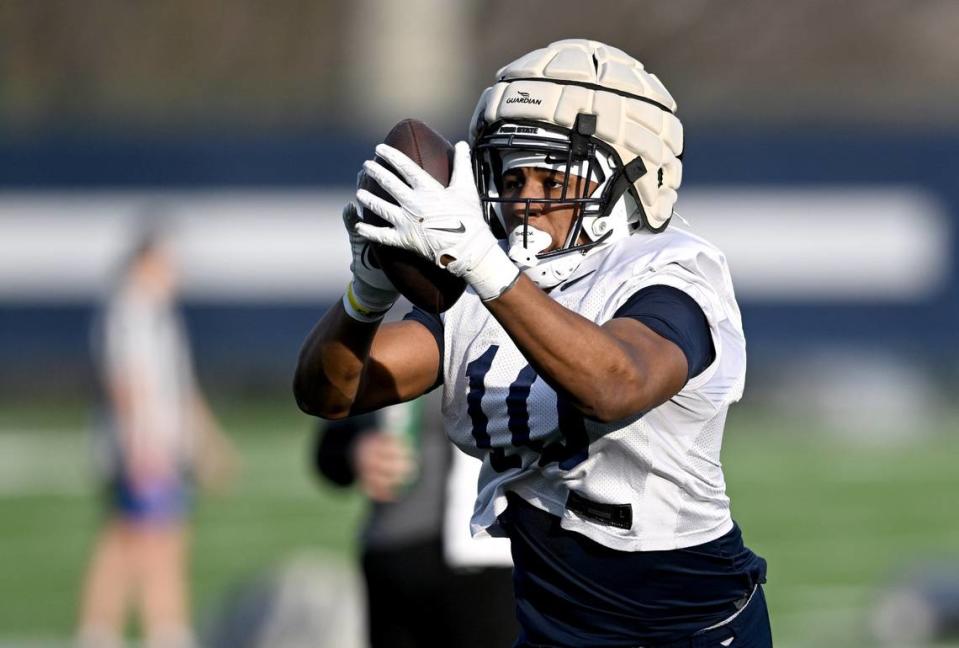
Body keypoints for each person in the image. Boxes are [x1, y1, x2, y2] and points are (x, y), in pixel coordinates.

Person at [295, 38, 771, 647]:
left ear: (632, 175)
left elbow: (615, 384)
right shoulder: (489, 285)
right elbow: (333, 393)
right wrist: (365, 296)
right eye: (512, 175)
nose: (526, 199)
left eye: (552, 176)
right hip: (552, 626)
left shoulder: (670, 273)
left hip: (686, 628)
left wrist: (485, 268)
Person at [77, 222, 236, 648]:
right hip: (143, 449)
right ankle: (144, 628)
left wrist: (208, 442)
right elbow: (127, 384)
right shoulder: (129, 310)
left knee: (149, 537)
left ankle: (148, 627)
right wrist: (141, 448)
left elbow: (180, 388)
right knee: (141, 540)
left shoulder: (157, 313)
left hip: (160, 446)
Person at [313, 392, 518, 648]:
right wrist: (356, 450)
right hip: (394, 556)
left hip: (492, 559)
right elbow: (329, 448)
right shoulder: (375, 352)